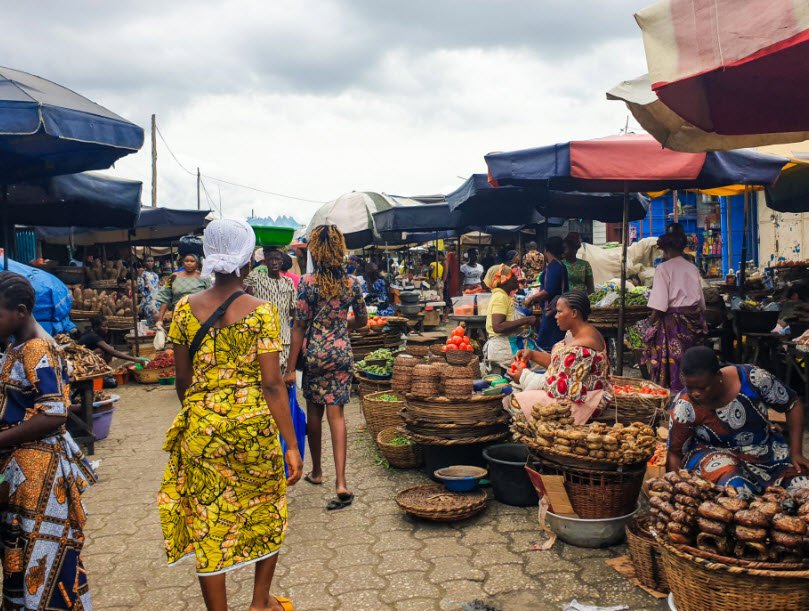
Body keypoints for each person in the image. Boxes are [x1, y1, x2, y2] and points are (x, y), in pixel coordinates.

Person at [158, 219, 302, 611]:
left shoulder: (184, 309)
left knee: (209, 520)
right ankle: (259, 604)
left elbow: (182, 380)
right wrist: (291, 444)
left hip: (203, 427)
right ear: (246, 259)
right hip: (253, 428)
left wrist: (204, 413)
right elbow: (273, 385)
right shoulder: (262, 312)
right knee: (266, 511)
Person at [0, 272, 97, 610]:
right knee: (24, 553)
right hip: (22, 477)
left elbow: (54, 413)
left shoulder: (38, 349)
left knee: (45, 555)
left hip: (41, 477)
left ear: (22, 311)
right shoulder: (16, 347)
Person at [285, 225, 368, 511]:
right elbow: (362, 321)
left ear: (316, 252)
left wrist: (288, 368)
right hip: (342, 352)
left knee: (314, 413)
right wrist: (339, 327)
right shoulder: (351, 283)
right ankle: (341, 482)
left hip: (315, 354)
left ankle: (317, 472)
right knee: (338, 416)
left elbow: (299, 326)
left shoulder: (307, 283)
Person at [667, 346, 809, 493]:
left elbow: (792, 404)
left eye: (703, 388)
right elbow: (675, 452)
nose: (696, 393)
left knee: (801, 486)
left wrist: (796, 452)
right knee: (735, 488)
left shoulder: (753, 379)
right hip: (716, 457)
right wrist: (677, 489)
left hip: (765, 451)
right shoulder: (684, 406)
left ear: (718, 375)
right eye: (690, 387)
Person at [507, 292, 612, 425]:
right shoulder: (574, 333)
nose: (556, 316)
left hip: (586, 401)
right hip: (571, 392)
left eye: (559, 312)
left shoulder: (582, 348)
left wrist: (524, 377)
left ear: (574, 313)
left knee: (516, 402)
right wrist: (532, 354)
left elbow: (563, 388)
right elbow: (560, 363)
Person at [641, 231, 707, 392]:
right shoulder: (692, 268)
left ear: (668, 249)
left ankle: (676, 393)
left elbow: (659, 304)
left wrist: (649, 324)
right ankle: (696, 390)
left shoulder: (663, 268)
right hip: (694, 321)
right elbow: (701, 303)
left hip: (674, 325)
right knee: (693, 360)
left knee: (676, 363)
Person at [244, 247, 297, 373]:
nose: (274, 262)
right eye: (270, 259)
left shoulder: (288, 282)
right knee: (265, 375)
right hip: (261, 338)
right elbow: (244, 281)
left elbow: (294, 311)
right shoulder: (257, 278)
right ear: (265, 261)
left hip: (283, 338)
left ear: (282, 262)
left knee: (281, 376)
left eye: (277, 259)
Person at [482, 264, 537, 372]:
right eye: (512, 276)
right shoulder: (500, 297)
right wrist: (526, 320)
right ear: (503, 280)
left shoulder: (504, 296)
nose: (515, 278)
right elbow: (498, 326)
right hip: (504, 347)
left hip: (506, 344)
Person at [525, 236, 569, 350]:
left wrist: (530, 299)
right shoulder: (559, 265)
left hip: (552, 311)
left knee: (547, 345)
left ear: (546, 250)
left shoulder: (554, 266)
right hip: (557, 308)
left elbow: (547, 291)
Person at [156, 254, 211, 324]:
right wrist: (160, 319)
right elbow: (164, 297)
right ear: (182, 263)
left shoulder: (204, 278)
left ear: (197, 264)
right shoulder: (174, 277)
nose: (189, 263)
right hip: (178, 317)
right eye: (186, 261)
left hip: (199, 318)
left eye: (192, 261)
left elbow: (210, 297)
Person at [78, 316, 147, 364]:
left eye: (107, 326)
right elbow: (112, 352)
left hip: (86, 356)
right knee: (102, 351)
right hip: (82, 359)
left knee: (108, 348)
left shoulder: (91, 331)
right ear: (96, 327)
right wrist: (135, 359)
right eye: (104, 326)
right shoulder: (93, 336)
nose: (106, 328)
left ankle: (104, 369)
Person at [136, 256, 161, 322]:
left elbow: (158, 287)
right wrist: (139, 276)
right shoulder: (143, 274)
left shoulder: (156, 275)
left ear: (154, 263)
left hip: (157, 300)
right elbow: (140, 287)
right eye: (148, 261)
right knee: (150, 319)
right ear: (145, 263)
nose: (150, 263)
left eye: (151, 261)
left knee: (157, 319)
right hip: (147, 300)